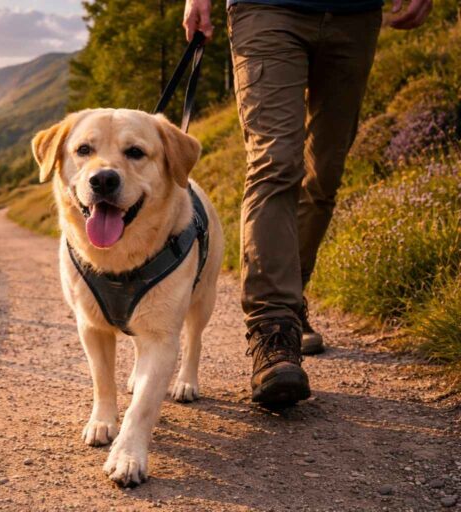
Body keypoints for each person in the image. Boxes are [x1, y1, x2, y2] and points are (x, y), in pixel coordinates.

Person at [183, 0, 432, 405]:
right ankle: (273, 331)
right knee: (276, 163)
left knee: (325, 174)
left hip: (357, 15)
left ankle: (291, 299)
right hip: (265, 8)